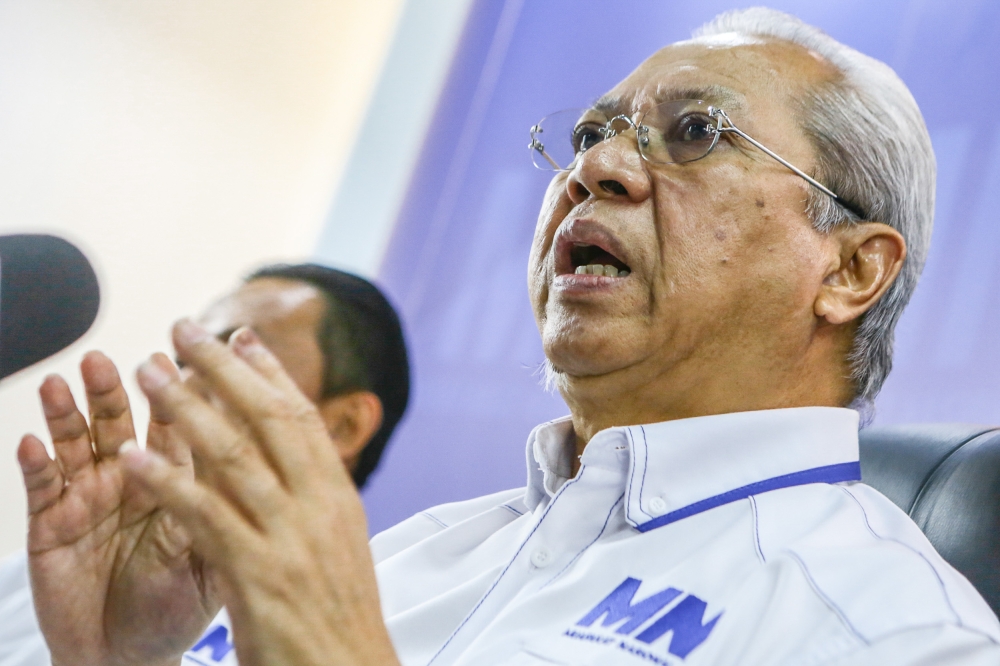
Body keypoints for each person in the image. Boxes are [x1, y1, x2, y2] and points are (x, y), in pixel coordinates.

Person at [15, 6, 1000, 665]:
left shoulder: (891, 631)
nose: (602, 166)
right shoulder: (414, 553)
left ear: (849, 269)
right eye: (590, 136)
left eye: (695, 132)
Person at [0, 263, 409, 666]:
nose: (182, 385)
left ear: (344, 425)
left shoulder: (387, 636)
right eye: (184, 361)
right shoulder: (46, 581)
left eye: (228, 357)